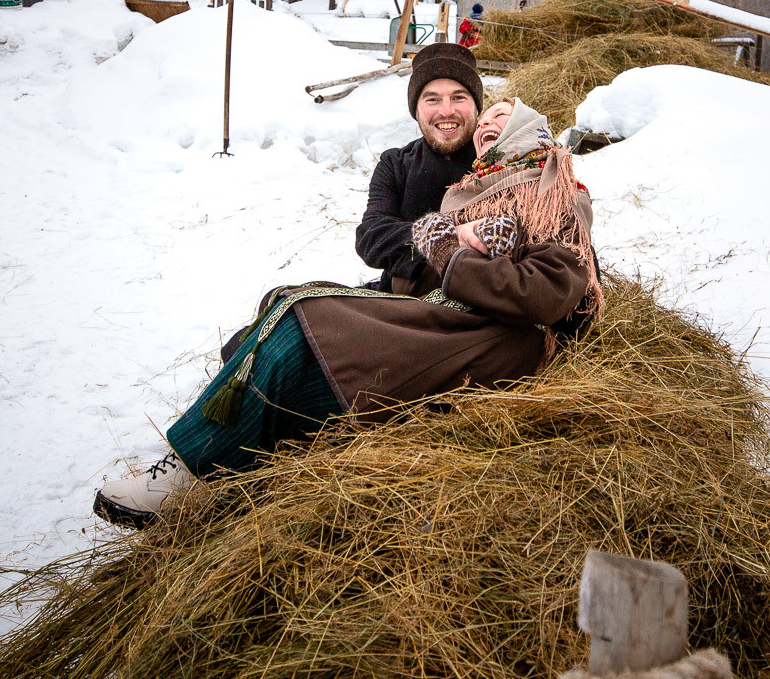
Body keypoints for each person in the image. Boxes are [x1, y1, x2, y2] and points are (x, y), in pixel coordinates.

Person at [94, 97, 601, 528]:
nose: (488, 123)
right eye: (487, 116)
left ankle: (186, 469)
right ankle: (232, 459)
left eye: (503, 116)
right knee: (292, 301)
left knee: (304, 324)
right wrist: (435, 242)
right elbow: (393, 244)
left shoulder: (550, 189)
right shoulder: (475, 186)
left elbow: (552, 291)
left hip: (495, 338)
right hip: (452, 317)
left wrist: (450, 251)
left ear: (529, 131)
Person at [353, 42, 484, 294]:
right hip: (402, 305)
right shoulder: (394, 164)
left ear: (476, 105)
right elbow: (371, 237)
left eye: (459, 97)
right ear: (416, 109)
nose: (447, 111)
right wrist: (448, 237)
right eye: (432, 100)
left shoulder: (501, 160)